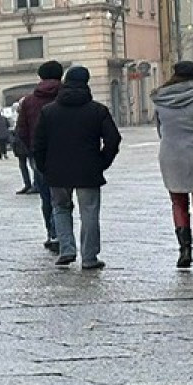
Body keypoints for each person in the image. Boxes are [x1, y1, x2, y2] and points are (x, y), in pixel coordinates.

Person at [32, 65, 121, 271]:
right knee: (89, 212)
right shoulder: (97, 110)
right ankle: (89, 257)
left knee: (60, 208)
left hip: (56, 170)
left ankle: (67, 249)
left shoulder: (49, 111)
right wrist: (102, 162)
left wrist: (44, 167)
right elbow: (113, 139)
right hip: (88, 169)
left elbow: (38, 144)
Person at [154, 61, 193, 270]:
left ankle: (184, 251)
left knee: (178, 203)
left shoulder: (161, 99)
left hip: (171, 155)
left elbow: (160, 130)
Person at [17, 61, 65, 251]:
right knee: (64, 197)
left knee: (46, 196)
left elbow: (21, 130)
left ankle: (52, 233)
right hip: (65, 153)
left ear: (40, 77)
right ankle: (63, 234)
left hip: (39, 155)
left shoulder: (29, 101)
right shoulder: (66, 96)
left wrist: (32, 149)